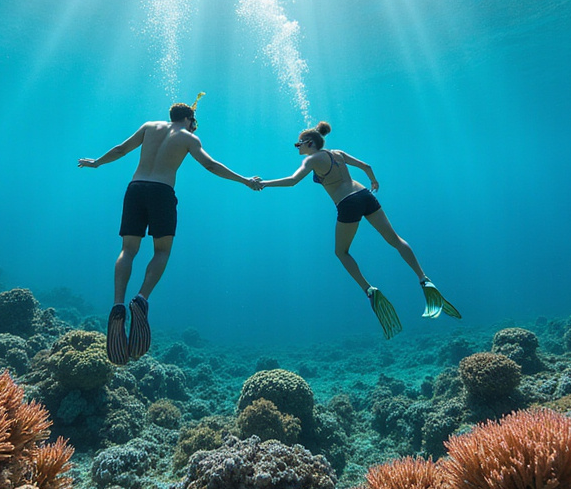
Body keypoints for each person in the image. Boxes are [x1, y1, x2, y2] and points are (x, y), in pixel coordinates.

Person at [79, 101, 261, 365]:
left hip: (136, 188)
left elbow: (121, 149)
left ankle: (118, 303)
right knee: (162, 250)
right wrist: (245, 180)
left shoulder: (149, 126)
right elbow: (210, 165)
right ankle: (141, 299)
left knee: (127, 250)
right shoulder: (189, 137)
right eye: (194, 120)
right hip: (161, 192)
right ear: (188, 118)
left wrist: (96, 162)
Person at [258, 121, 460, 338]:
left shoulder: (312, 159)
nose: (296, 147)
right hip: (365, 195)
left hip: (347, 203)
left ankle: (369, 290)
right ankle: (423, 278)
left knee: (341, 252)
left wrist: (263, 183)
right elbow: (367, 167)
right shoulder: (338, 153)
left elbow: (292, 181)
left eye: (298, 144)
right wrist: (373, 182)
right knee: (394, 239)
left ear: (309, 143)